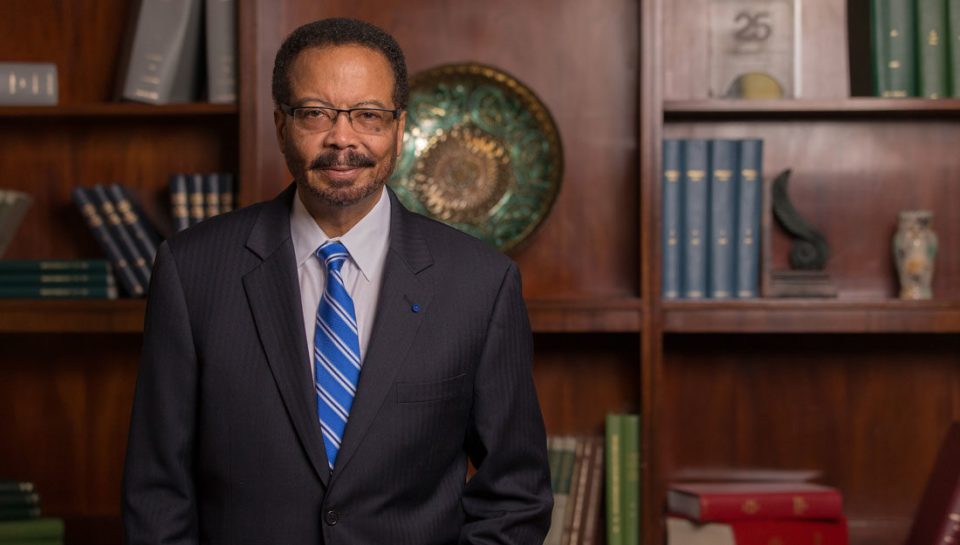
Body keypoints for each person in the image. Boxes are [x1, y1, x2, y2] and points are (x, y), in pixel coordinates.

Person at [122, 17, 553, 545]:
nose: (342, 138)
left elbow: (516, 496)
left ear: (399, 127)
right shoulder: (191, 271)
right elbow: (156, 492)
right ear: (281, 125)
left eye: (368, 115)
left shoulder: (481, 285)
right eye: (315, 114)